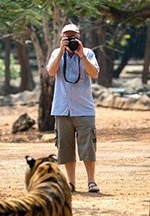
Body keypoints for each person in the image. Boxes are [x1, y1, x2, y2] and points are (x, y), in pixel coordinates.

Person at [46, 23, 100, 193]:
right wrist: (61, 51)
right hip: (62, 109)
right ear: (61, 38)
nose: (70, 40)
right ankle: (71, 183)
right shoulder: (57, 53)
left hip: (84, 109)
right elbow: (51, 71)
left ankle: (91, 181)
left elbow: (94, 73)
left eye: (73, 36)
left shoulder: (88, 53)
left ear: (79, 37)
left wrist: (82, 55)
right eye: (67, 36)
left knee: (88, 146)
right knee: (66, 148)